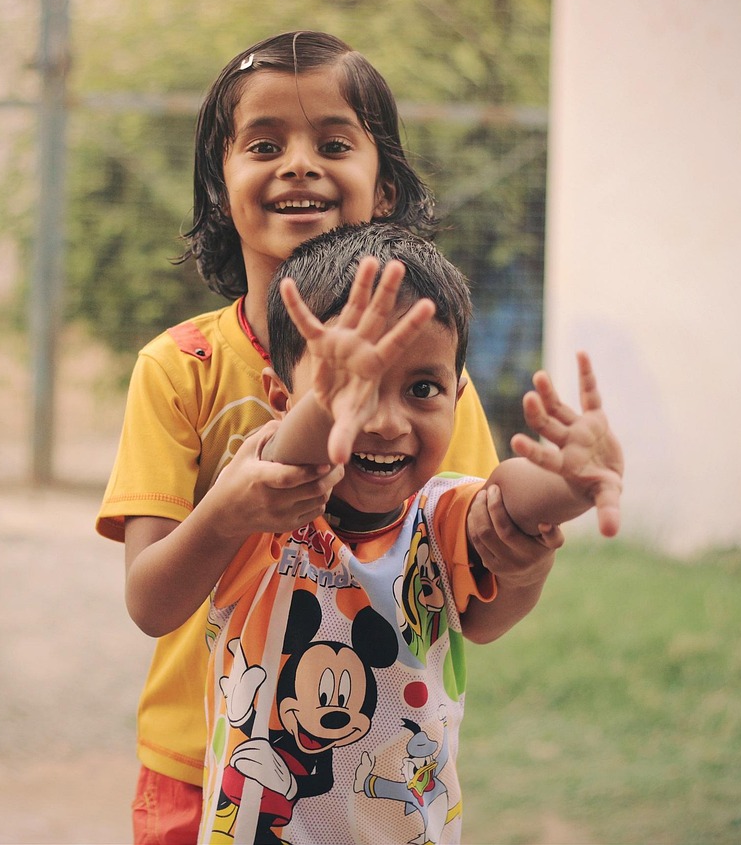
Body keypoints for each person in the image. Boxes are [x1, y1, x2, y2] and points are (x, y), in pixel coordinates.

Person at [96, 31, 561, 844]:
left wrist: (542, 531)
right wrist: (229, 512)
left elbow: (476, 606)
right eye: (265, 143)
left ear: (383, 187)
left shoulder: (432, 387)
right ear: (222, 184)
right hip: (199, 773)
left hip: (374, 786)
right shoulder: (181, 368)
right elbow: (152, 600)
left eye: (334, 142)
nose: (300, 163)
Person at [191, 222, 623, 843]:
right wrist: (323, 411)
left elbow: (510, 498)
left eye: (423, 388)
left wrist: (570, 486)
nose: (388, 422)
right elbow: (155, 601)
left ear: (458, 395)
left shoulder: (438, 516)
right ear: (283, 400)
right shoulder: (258, 510)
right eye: (352, 391)